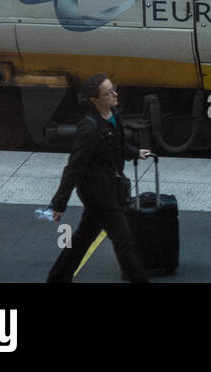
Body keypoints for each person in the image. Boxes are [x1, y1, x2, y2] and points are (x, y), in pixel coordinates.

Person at [46, 75, 153, 283]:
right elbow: (74, 166)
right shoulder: (89, 127)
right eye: (108, 92)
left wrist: (134, 152)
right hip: (98, 193)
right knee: (124, 241)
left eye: (113, 89)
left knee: (83, 237)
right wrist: (59, 202)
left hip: (109, 188)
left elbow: (116, 145)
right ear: (94, 100)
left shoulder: (113, 114)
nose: (115, 94)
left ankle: (57, 278)